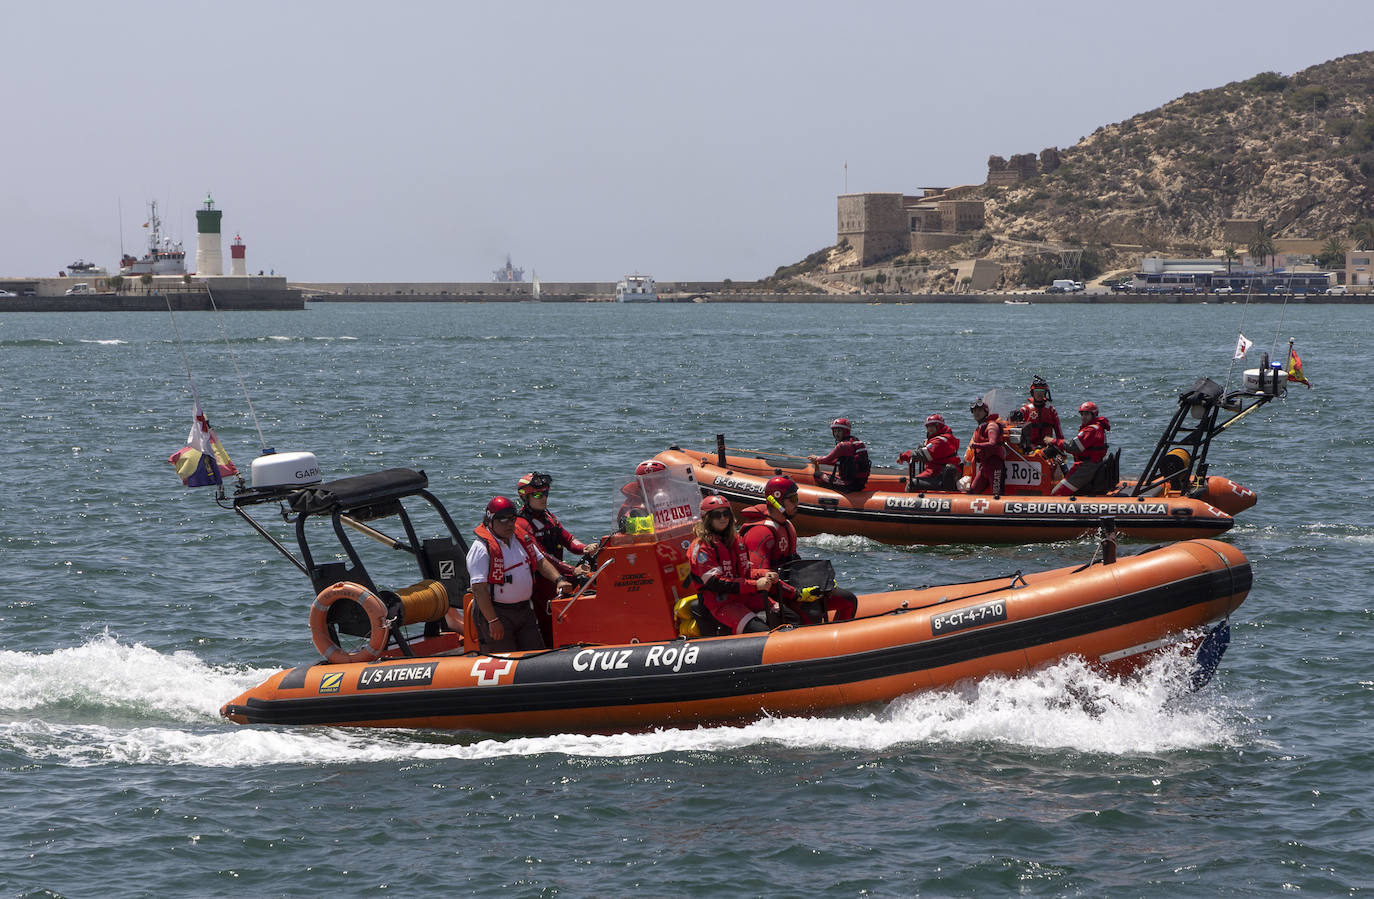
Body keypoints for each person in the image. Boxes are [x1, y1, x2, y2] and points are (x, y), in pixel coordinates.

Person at [739, 476, 858, 624]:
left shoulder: (787, 526)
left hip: (789, 588)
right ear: (777, 501)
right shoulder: (760, 533)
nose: (798, 503)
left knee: (848, 600)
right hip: (771, 595)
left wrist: (822, 580)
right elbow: (759, 578)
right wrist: (796, 594)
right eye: (793, 499)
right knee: (812, 614)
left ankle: (840, 641)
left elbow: (794, 564)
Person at [466, 496, 574, 652]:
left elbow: (540, 561)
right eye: (502, 520)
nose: (509, 524)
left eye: (512, 519)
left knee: (536, 655)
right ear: (490, 520)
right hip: (498, 612)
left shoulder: (520, 538)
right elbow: (478, 589)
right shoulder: (481, 549)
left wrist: (559, 579)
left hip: (525, 611)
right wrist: (492, 620)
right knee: (504, 660)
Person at [515, 471, 597, 645]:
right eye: (538, 494)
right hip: (540, 582)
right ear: (525, 497)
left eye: (546, 493)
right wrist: (572, 570)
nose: (543, 498)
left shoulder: (549, 517)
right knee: (548, 622)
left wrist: (585, 548)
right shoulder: (521, 524)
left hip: (559, 577)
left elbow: (568, 539)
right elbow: (542, 556)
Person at [688, 494, 779, 634]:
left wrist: (765, 574)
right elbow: (716, 583)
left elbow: (746, 573)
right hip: (720, 603)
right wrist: (755, 585)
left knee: (785, 614)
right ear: (707, 518)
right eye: (717, 515)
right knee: (761, 631)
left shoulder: (737, 541)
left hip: (743, 596)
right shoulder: (702, 548)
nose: (723, 518)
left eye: (726, 514)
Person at [1043, 401, 1112, 496]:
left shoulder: (1091, 430)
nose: (1083, 417)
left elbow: (1073, 447)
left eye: (1087, 414)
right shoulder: (1096, 427)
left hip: (1086, 468)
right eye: (1082, 414)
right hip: (1090, 465)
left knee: (1057, 494)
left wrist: (1053, 441)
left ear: (1093, 415)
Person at [898, 413, 961, 491]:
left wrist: (905, 456)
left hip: (938, 473)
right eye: (928, 426)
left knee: (911, 484)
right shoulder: (943, 439)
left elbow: (924, 454)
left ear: (938, 426)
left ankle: (909, 501)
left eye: (932, 426)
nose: (929, 429)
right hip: (940, 472)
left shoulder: (940, 442)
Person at [808, 418, 871, 492]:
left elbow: (827, 459)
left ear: (845, 432)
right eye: (835, 431)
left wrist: (816, 458)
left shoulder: (842, 446)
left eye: (839, 431)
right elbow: (842, 462)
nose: (836, 434)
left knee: (817, 475)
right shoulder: (856, 442)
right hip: (860, 483)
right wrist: (819, 461)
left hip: (848, 485)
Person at [966, 398, 1006, 494]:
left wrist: (975, 445)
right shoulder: (979, 428)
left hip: (995, 466)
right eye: (974, 411)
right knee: (972, 491)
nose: (977, 413)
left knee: (996, 493)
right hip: (984, 467)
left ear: (986, 412)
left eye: (979, 411)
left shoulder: (991, 426)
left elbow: (992, 444)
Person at [1014, 376, 1063, 450]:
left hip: (1047, 447)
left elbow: (1059, 434)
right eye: (1037, 391)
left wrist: (1060, 447)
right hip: (1029, 447)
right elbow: (1015, 426)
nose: (1039, 394)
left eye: (1042, 391)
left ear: (1045, 393)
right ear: (1032, 393)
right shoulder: (1025, 410)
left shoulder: (1051, 410)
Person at [616, 459, 663, 533]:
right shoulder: (634, 501)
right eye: (646, 480)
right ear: (639, 482)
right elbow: (626, 518)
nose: (650, 484)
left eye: (654, 480)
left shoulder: (674, 495)